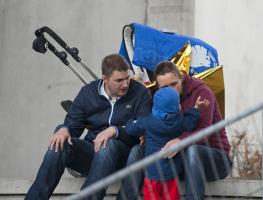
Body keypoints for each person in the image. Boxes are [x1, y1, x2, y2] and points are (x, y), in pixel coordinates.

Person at [25, 54, 152, 200]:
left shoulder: (140, 93)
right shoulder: (88, 92)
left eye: (127, 78)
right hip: (93, 154)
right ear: (105, 78)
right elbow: (72, 125)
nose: (125, 84)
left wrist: (115, 131)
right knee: (59, 143)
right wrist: (63, 129)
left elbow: (142, 128)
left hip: (123, 155)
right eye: (119, 80)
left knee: (108, 144)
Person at [118, 61, 232, 200]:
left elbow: (204, 133)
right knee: (138, 150)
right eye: (165, 87)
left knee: (193, 150)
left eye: (174, 84)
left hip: (214, 158)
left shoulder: (202, 92)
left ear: (181, 77)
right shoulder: (161, 99)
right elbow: (156, 126)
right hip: (178, 160)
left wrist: (180, 141)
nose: (171, 90)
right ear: (158, 87)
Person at [125, 87, 209, 200]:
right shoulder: (179, 121)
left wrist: (129, 121)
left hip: (152, 173)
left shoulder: (148, 121)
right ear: (176, 107)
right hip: (171, 174)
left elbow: (131, 129)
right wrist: (196, 108)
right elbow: (191, 122)